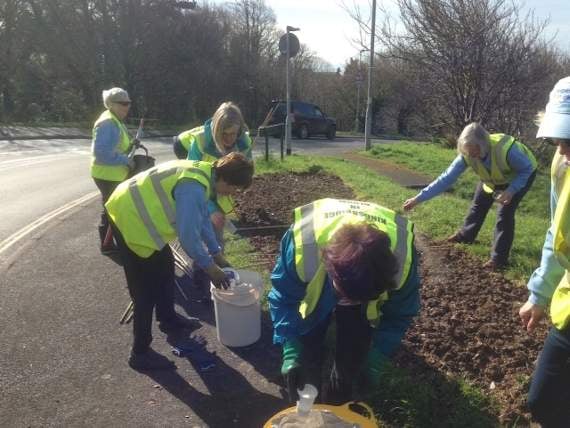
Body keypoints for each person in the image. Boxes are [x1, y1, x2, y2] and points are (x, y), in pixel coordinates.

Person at [105, 152, 254, 371]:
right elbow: (188, 238)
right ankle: (140, 353)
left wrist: (217, 253)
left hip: (137, 215)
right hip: (129, 218)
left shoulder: (205, 174)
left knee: (165, 269)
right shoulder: (193, 186)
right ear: (224, 179)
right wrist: (211, 269)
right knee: (145, 291)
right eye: (234, 189)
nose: (232, 194)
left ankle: (168, 319)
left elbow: (202, 219)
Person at [268, 198, 421, 404]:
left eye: (358, 299)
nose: (347, 303)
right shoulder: (304, 245)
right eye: (343, 296)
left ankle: (338, 397)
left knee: (353, 349)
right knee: (309, 338)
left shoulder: (402, 262)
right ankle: (308, 389)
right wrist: (291, 347)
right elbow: (283, 297)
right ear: (330, 269)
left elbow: (399, 314)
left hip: (358, 282)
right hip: (326, 278)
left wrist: (377, 356)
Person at [403, 122, 537, 270]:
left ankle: (499, 260)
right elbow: (446, 178)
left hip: (519, 176)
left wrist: (511, 190)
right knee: (478, 204)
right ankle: (466, 236)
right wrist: (418, 199)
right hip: (492, 177)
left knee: (504, 214)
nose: (472, 156)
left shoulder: (506, 150)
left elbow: (527, 169)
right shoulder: (467, 154)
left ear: (484, 144)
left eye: (475, 152)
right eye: (468, 153)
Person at [519, 76, 570, 427]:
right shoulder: (561, 163)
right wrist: (539, 293)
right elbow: (558, 228)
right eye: (560, 141)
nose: (564, 152)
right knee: (543, 400)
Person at [174, 102, 253, 284]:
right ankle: (202, 277)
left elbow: (245, 172)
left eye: (234, 133)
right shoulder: (201, 141)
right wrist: (210, 209)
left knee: (216, 235)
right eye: (224, 134)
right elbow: (191, 176)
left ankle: (218, 278)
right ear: (216, 128)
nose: (229, 139)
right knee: (197, 228)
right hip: (198, 191)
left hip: (219, 192)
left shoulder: (244, 142)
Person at [91, 87, 136, 254]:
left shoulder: (115, 120)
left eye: (129, 103)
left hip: (113, 173)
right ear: (111, 104)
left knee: (112, 208)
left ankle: (108, 243)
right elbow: (101, 153)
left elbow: (117, 146)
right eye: (123, 103)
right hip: (107, 175)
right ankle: (107, 245)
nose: (127, 107)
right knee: (112, 210)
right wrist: (126, 161)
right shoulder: (108, 123)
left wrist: (132, 145)